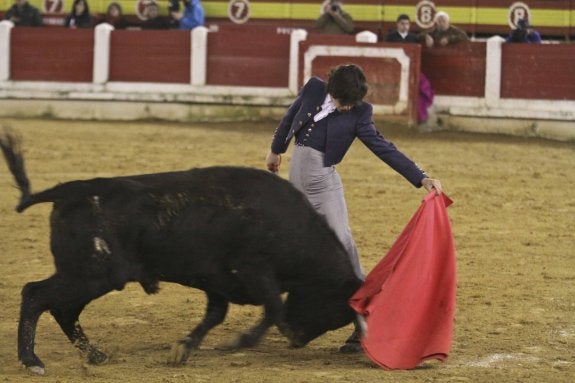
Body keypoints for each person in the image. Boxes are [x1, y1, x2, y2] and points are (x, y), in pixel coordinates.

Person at [265, 64, 443, 353]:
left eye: (352, 102)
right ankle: (299, 314)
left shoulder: (360, 112)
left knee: (343, 248)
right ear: (331, 89)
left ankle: (363, 321)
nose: (347, 107)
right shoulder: (313, 88)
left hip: (324, 184)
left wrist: (420, 176)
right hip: (297, 184)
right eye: (343, 101)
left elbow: (383, 147)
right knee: (297, 250)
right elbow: (289, 119)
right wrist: (275, 150)